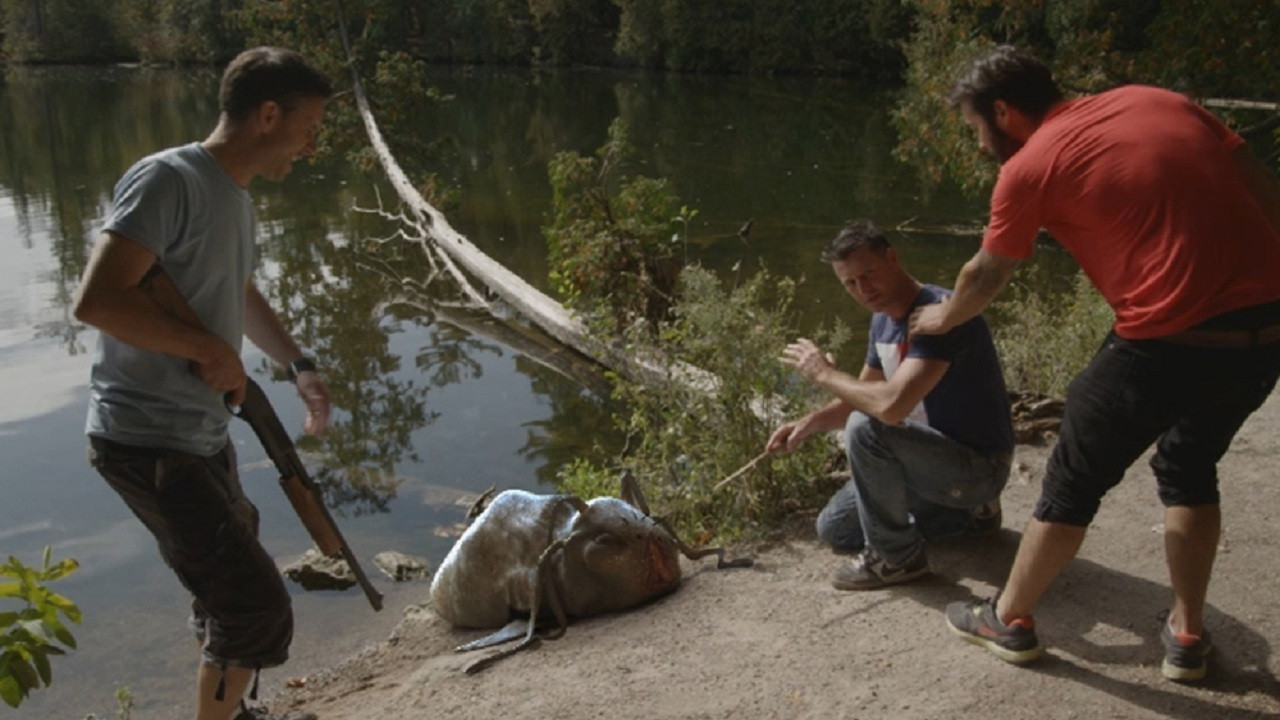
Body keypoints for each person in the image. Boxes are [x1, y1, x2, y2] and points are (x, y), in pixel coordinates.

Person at [913, 45, 1280, 682]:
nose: (978, 144)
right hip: (1264, 334)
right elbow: (1263, 190)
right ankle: (1187, 634)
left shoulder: (1028, 167)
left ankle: (1007, 618)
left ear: (1003, 111)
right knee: (1189, 465)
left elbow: (985, 275)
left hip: (1165, 342)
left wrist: (941, 318)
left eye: (976, 128)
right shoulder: (1160, 100)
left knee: (1071, 483)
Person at [72, 47, 335, 720]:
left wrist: (297, 364)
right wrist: (207, 349)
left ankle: (230, 711)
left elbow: (236, 290)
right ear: (268, 114)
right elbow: (98, 300)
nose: (312, 147)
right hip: (146, 438)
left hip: (198, 431)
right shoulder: (170, 179)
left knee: (225, 590)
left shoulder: (234, 198)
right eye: (308, 127)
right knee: (253, 603)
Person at [768, 219, 1014, 591]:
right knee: (834, 528)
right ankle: (968, 517)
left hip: (976, 466)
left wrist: (824, 375)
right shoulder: (882, 321)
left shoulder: (941, 313)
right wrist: (807, 424)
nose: (863, 289)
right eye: (850, 283)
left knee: (866, 428)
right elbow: (862, 396)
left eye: (868, 274)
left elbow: (889, 407)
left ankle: (898, 559)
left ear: (893, 259)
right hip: (927, 464)